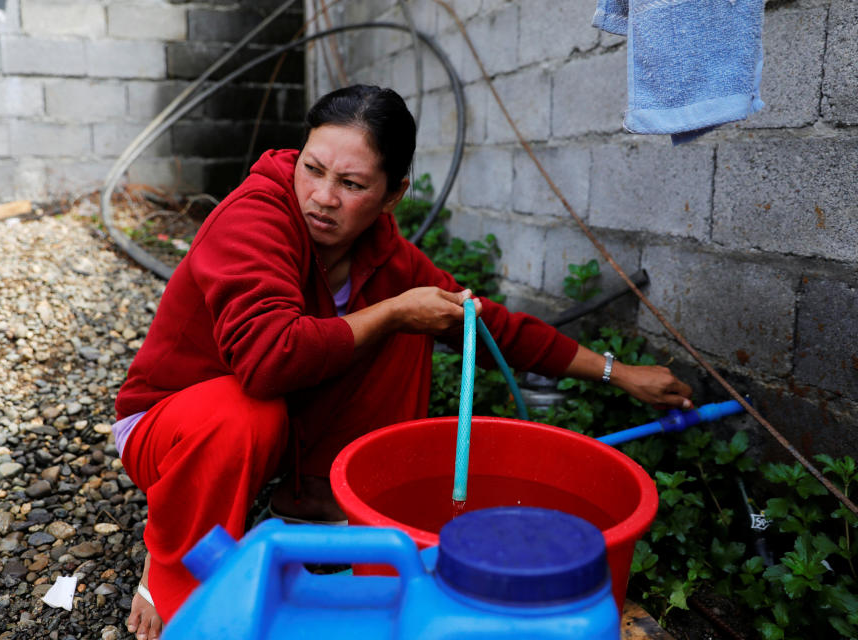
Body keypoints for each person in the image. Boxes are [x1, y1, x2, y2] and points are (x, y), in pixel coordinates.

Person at [115, 85, 693, 639]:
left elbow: (484, 324)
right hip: (169, 427)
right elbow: (267, 362)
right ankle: (172, 568)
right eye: (312, 169)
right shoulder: (255, 217)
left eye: (351, 183)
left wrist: (618, 373)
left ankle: (315, 501)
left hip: (266, 428)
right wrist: (390, 313)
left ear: (393, 194)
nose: (322, 196)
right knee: (252, 406)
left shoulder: (387, 257)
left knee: (420, 321)